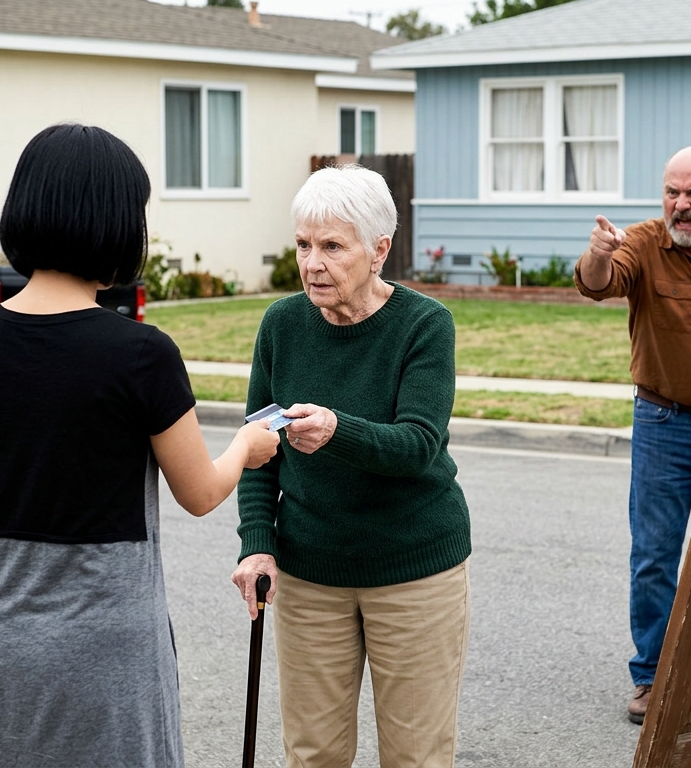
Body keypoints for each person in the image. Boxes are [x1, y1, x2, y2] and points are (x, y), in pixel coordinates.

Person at [0, 123, 279, 768]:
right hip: (108, 649)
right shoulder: (142, 355)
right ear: (116, 225)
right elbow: (200, 491)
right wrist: (249, 447)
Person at [230, 165, 472, 768]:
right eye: (304, 245)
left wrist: (339, 430)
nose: (313, 263)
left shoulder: (424, 325)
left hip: (414, 569)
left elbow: (418, 443)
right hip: (312, 571)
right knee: (313, 754)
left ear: (379, 249)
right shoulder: (282, 325)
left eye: (333, 246)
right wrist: (257, 545)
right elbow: (259, 450)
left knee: (416, 755)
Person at [573, 146, 691, 724]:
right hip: (664, 421)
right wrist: (596, 255)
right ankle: (652, 677)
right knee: (656, 555)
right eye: (672, 193)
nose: (681, 206)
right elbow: (599, 284)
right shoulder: (639, 242)